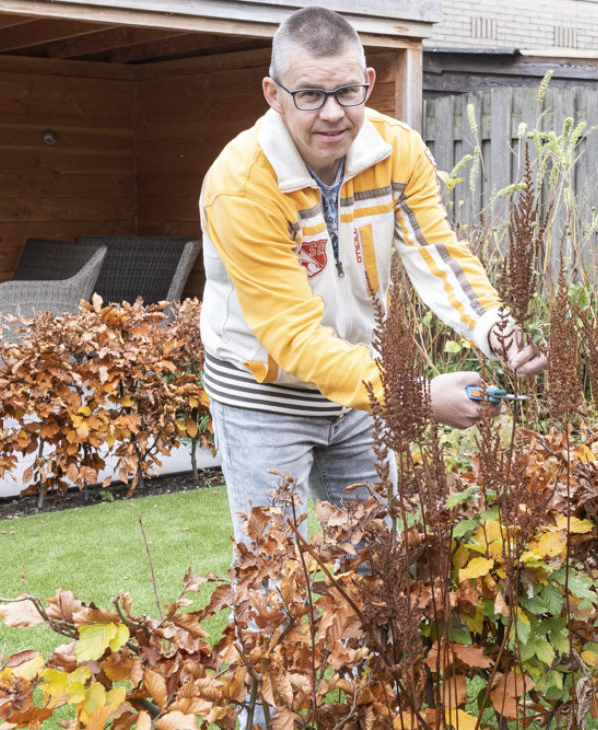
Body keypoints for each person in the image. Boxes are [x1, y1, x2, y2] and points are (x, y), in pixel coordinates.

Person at [198, 6, 548, 552]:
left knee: (375, 559)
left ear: (367, 83)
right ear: (273, 93)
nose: (333, 114)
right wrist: (415, 395)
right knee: (275, 578)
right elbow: (293, 338)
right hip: (262, 394)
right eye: (310, 95)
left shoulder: (396, 151)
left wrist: (495, 329)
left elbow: (438, 254)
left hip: (358, 391)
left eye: (346, 92)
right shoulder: (242, 185)